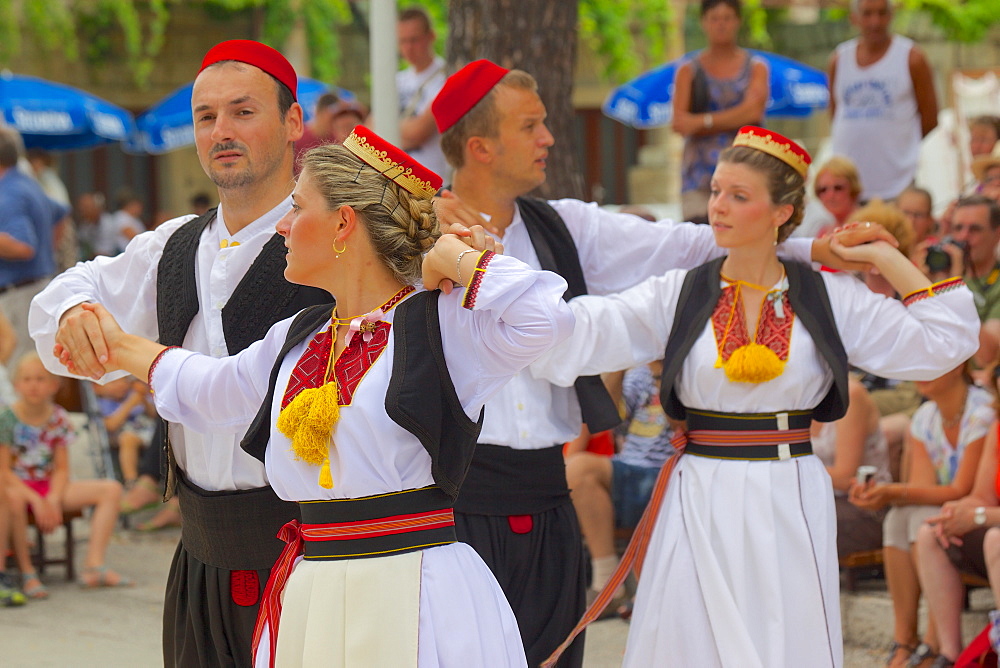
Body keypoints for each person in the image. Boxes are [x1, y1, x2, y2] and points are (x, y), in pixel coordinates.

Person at [430, 58, 891, 668]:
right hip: (450, 497)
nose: (549, 138)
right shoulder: (412, 236)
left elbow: (692, 242)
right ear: (481, 145)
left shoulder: (566, 225)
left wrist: (811, 245)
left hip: (547, 492)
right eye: (531, 126)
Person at [59, 126, 573, 667]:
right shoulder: (299, 337)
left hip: (415, 594)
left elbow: (545, 317)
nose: (281, 224)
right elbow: (212, 389)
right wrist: (118, 348)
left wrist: (454, 258)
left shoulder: (440, 326)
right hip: (313, 592)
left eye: (297, 207)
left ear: (343, 223)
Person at [530, 126, 979, 667]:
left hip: (788, 491)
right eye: (717, 191)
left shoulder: (828, 296)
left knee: (782, 642)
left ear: (781, 213)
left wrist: (885, 259)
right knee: (692, 642)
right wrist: (479, 278)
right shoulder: (680, 291)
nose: (718, 207)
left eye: (739, 197)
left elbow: (944, 342)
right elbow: (580, 333)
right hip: (700, 491)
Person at [28, 40, 331, 667]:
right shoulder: (171, 247)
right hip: (200, 560)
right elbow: (67, 293)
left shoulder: (338, 237)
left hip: (315, 561)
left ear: (294, 122)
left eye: (243, 112)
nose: (221, 131)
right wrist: (73, 313)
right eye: (206, 116)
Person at [851, 362, 992, 667]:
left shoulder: (982, 413)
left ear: (958, 366)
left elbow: (961, 489)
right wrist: (888, 493)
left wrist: (894, 492)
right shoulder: (926, 416)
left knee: (921, 518)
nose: (919, 373)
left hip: (969, 510)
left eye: (931, 364)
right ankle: (905, 639)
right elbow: (921, 488)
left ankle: (934, 642)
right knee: (897, 519)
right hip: (947, 509)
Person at [1, 353, 131, 598]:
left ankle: (94, 565)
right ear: (16, 385)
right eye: (27, 379)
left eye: (40, 379)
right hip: (18, 487)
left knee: (111, 489)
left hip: (50, 485)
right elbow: (4, 471)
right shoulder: (6, 418)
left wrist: (52, 498)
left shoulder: (58, 417)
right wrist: (36, 499)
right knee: (13, 499)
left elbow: (62, 468)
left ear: (53, 385)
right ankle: (28, 573)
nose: (33, 385)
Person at [566, 361, 674, 615]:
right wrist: (618, 365)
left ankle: (641, 592)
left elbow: (681, 421)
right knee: (576, 469)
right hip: (630, 467)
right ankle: (607, 581)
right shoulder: (637, 372)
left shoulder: (687, 366)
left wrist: (663, 371)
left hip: (672, 469)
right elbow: (607, 422)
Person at [915, 365, 1000, 666]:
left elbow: (984, 511)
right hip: (991, 521)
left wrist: (980, 516)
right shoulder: (998, 426)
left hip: (995, 530)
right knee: (932, 532)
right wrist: (957, 511)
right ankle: (949, 654)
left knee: (995, 540)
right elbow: (981, 495)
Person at [829, 0, 939, 202]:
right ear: (854, 18)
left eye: (881, 13)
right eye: (867, 14)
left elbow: (930, 118)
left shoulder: (911, 58)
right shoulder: (839, 59)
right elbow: (836, 114)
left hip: (898, 186)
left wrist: (899, 146)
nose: (875, 21)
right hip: (848, 188)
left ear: (891, 16)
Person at [670, 0, 768, 223]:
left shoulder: (756, 66)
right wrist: (736, 116)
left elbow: (753, 113)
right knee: (700, 244)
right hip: (699, 180)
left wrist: (702, 122)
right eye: (714, 18)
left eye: (727, 18)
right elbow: (680, 124)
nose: (721, 25)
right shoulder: (688, 69)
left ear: (738, 21)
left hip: (745, 173)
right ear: (703, 22)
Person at [0, 127, 69, 369]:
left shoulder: (7, 193)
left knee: (19, 373)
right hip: (35, 288)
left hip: (18, 295)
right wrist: (47, 249)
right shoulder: (26, 184)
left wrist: (40, 250)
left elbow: (23, 246)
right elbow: (61, 213)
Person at [812, 377, 892, 559]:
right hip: (819, 500)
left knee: (787, 523)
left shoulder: (849, 393)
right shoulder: (795, 395)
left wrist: (787, 469)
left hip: (863, 505)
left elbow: (844, 478)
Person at [397, 6, 448, 178]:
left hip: (432, 181)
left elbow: (418, 133)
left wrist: (386, 131)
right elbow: (369, 128)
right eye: (402, 41)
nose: (408, 48)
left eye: (414, 40)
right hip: (396, 180)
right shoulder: (398, 80)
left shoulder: (445, 78)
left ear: (431, 37)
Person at [92, 376, 156, 486]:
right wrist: (130, 404)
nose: (121, 385)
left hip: (147, 431)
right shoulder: (102, 404)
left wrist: (143, 398)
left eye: (124, 380)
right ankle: (131, 480)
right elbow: (111, 425)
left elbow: (154, 415)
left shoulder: (134, 394)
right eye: (114, 382)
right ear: (97, 388)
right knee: (128, 438)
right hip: (121, 436)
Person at [814, 156, 863, 235]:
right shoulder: (823, 233)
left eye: (838, 188)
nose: (830, 195)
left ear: (853, 188)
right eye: (823, 189)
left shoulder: (871, 225)